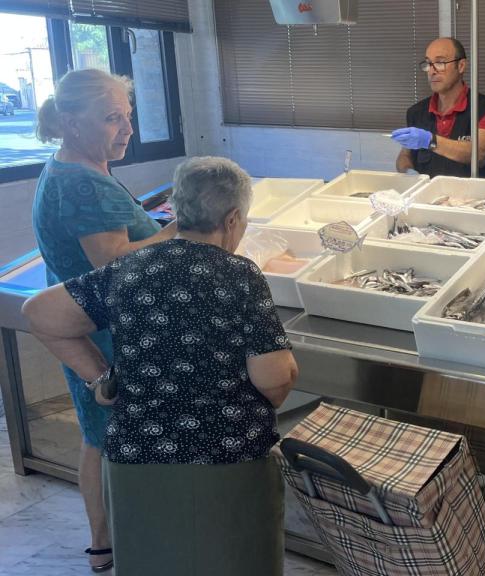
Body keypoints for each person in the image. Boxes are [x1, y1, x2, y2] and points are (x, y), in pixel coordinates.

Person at [22, 156, 298, 576]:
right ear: (233, 219)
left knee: (151, 561)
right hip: (229, 458)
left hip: (137, 458)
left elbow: (40, 312)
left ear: (177, 209)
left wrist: (100, 378)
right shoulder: (239, 274)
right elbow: (273, 379)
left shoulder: (128, 268)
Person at [31, 67, 178, 573]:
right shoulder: (83, 184)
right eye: (112, 118)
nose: (127, 128)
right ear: (72, 122)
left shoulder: (74, 167)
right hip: (107, 335)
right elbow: (115, 262)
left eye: (129, 116)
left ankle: (104, 543)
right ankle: (127, 540)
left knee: (101, 435)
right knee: (113, 436)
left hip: (90, 324)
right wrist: (183, 230)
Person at [392, 37, 485, 179]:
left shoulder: (484, 109)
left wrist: (430, 141)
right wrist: (408, 171)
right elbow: (405, 155)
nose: (432, 71)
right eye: (428, 63)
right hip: (425, 198)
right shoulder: (416, 112)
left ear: (461, 66)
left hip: (469, 198)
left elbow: (480, 154)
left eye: (440, 63)